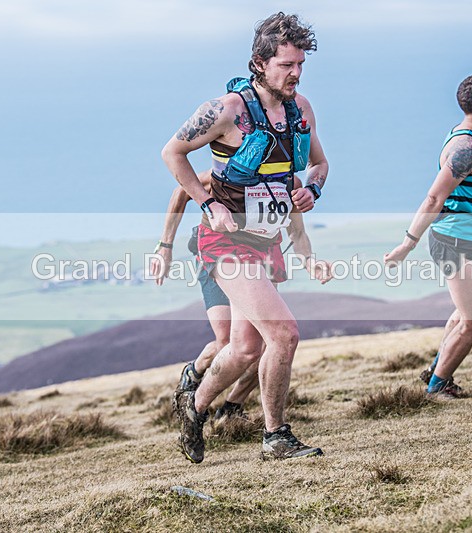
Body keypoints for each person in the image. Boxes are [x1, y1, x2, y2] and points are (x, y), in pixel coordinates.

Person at [161, 12, 329, 462]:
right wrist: (206, 201)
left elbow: (319, 164)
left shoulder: (302, 110)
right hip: (226, 243)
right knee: (284, 334)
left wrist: (310, 188)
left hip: (266, 242)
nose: (294, 73)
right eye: (286, 65)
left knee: (245, 346)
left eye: (299, 65)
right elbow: (172, 153)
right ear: (260, 62)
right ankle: (275, 436)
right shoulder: (227, 110)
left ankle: (193, 408)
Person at [150, 171, 332, 422]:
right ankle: (194, 373)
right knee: (226, 343)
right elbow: (181, 190)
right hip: (220, 256)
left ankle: (232, 405)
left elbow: (297, 232)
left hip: (260, 261)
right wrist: (165, 246)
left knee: (268, 343)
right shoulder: (228, 172)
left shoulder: (290, 183)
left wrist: (311, 262)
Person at [384, 72, 472, 398]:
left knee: (471, 311)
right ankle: (437, 388)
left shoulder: (469, 141)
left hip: (463, 236)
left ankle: (437, 370)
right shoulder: (466, 147)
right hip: (453, 242)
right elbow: (434, 199)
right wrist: (406, 244)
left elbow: (456, 197)